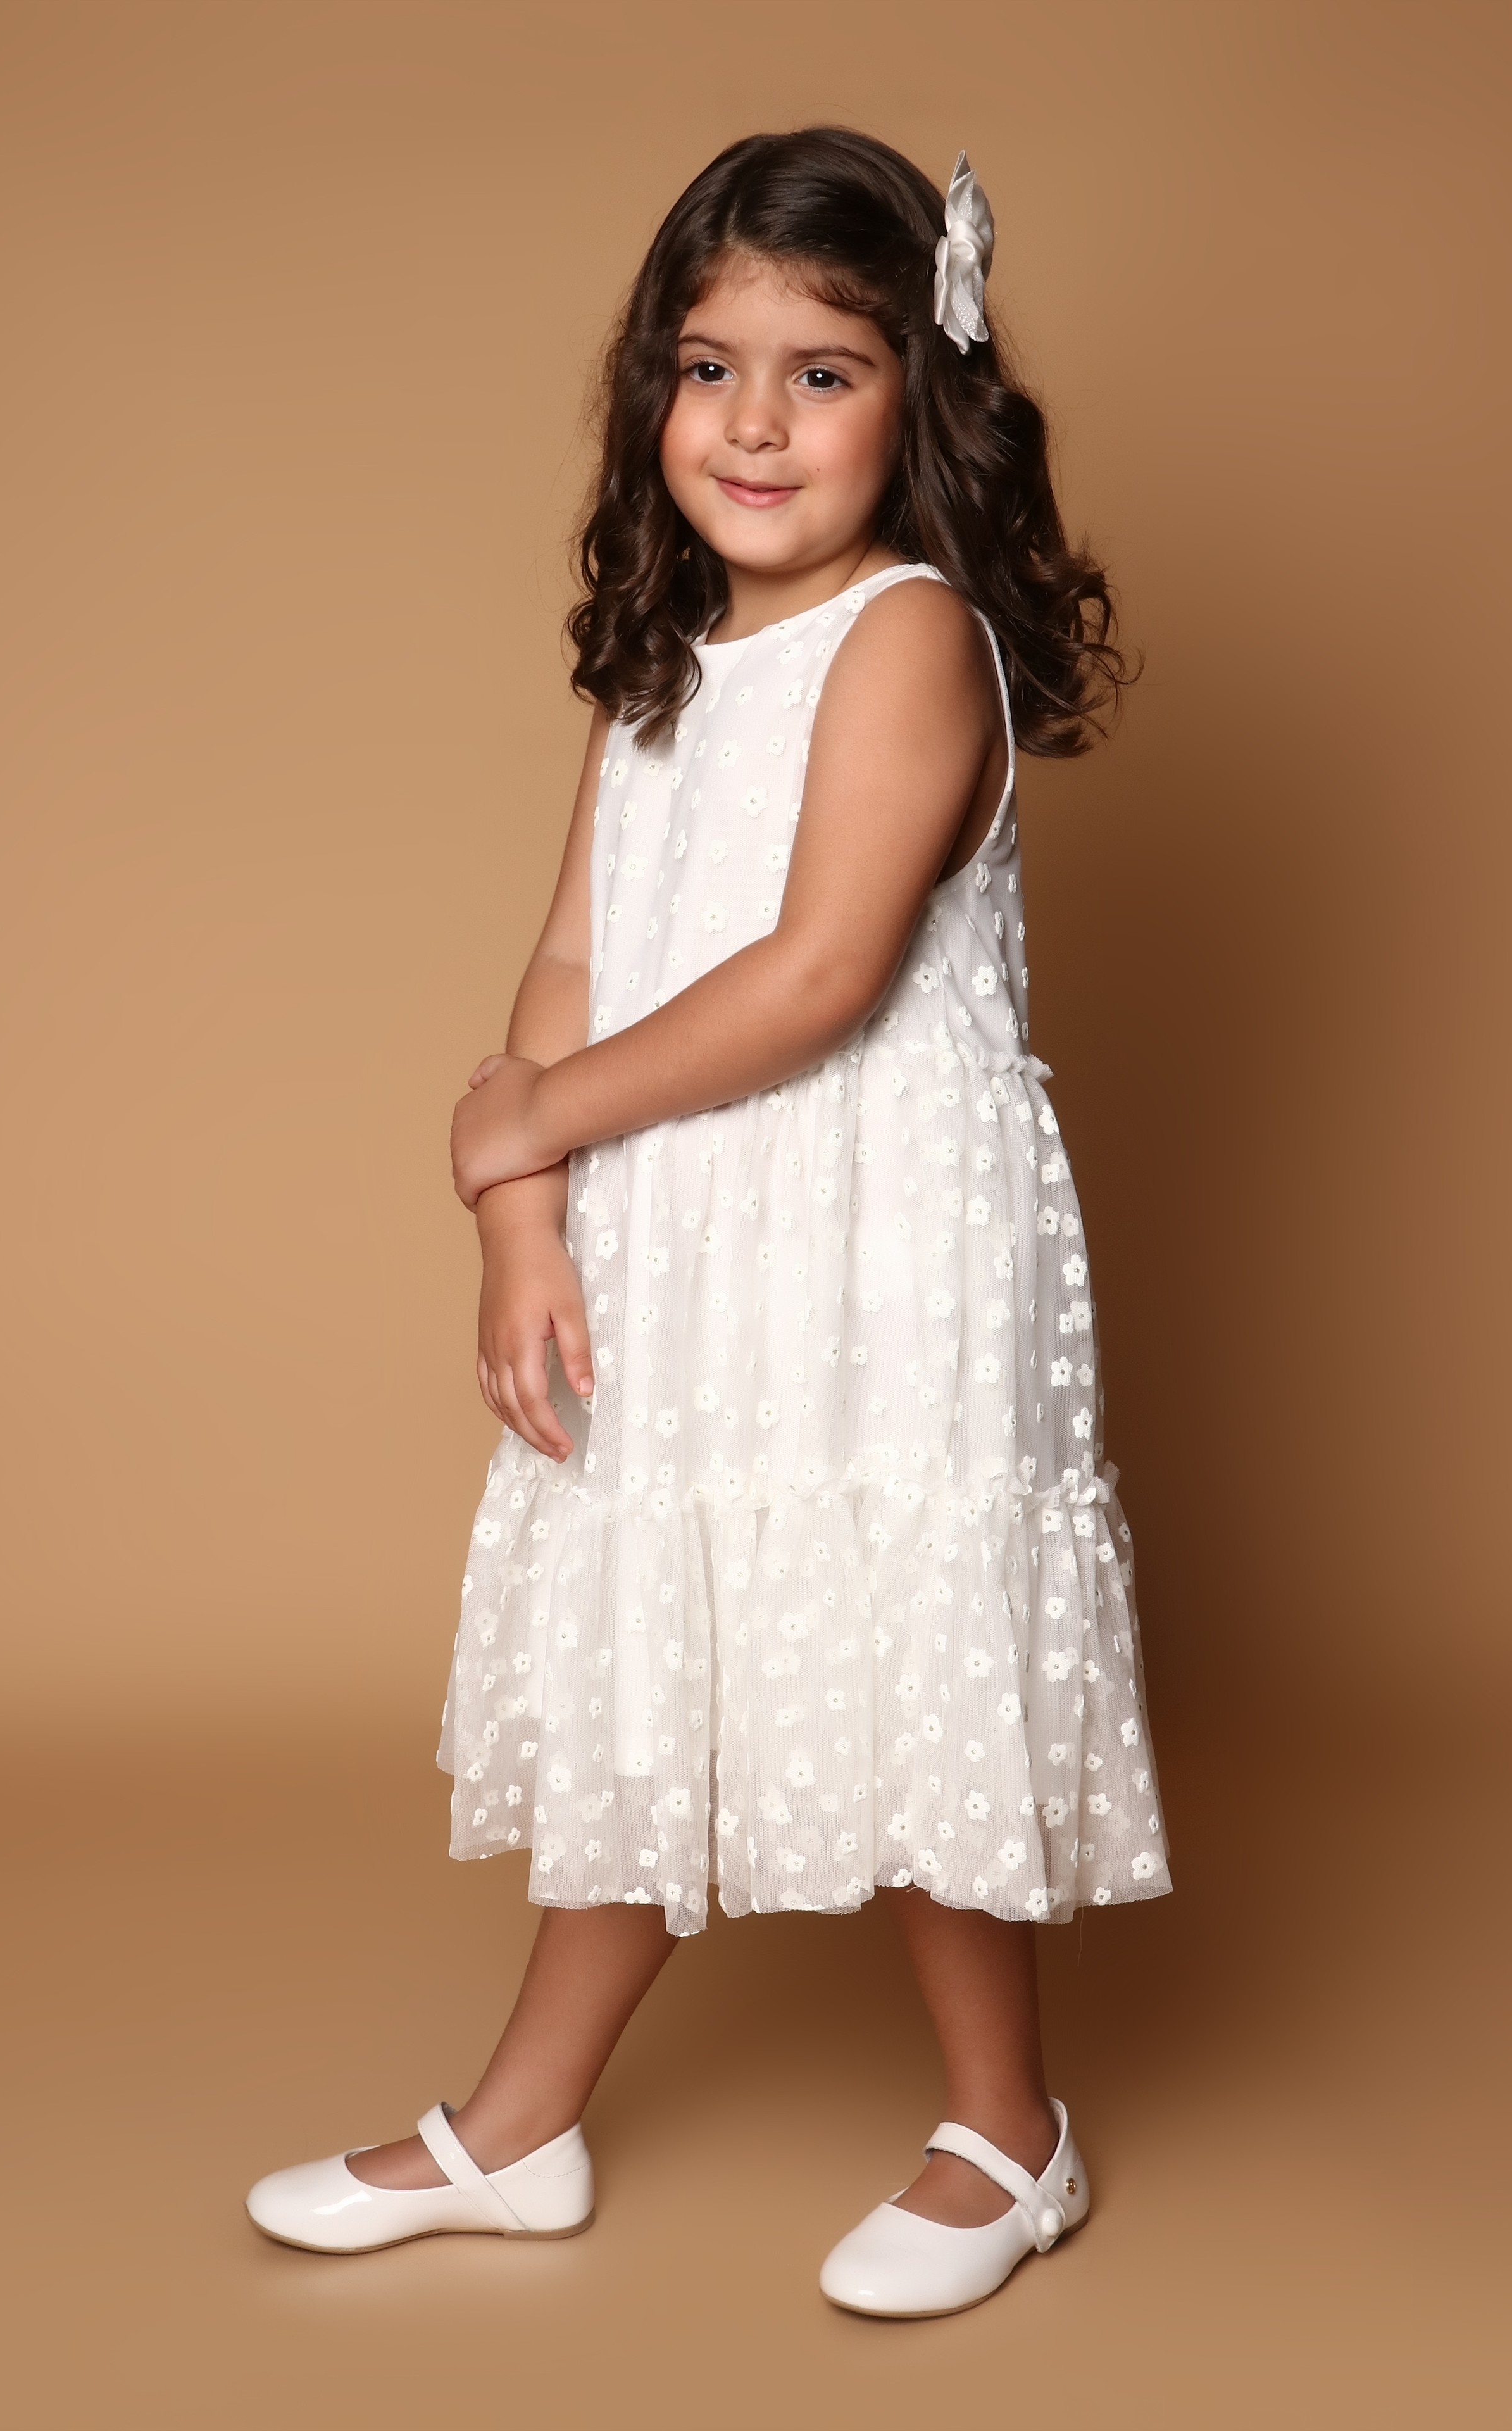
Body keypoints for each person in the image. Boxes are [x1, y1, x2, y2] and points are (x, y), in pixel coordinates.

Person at [247, 128, 1171, 2318]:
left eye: (820, 373)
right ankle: (525, 2125)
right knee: (662, 1647)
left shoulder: (907, 639)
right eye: (705, 365)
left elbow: (821, 971)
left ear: (920, 397)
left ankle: (1010, 2129)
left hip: (877, 1240)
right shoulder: (662, 665)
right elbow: (575, 955)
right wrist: (521, 1212)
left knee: (900, 1641)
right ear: (648, 391)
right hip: (688, 1228)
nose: (751, 422)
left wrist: (526, 1118)